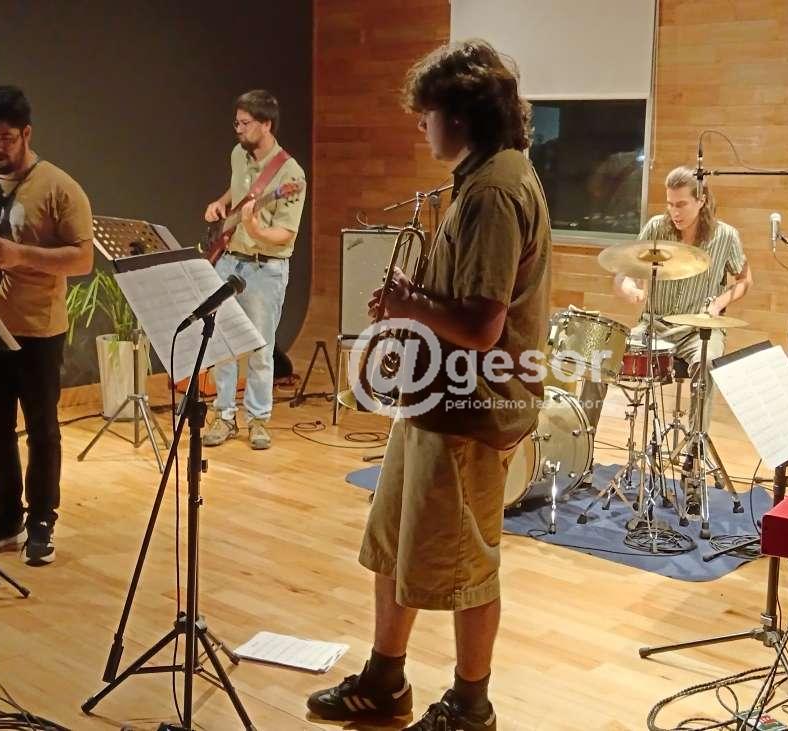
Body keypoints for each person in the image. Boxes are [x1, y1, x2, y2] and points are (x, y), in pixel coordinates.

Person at [306, 39, 550, 731]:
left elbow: (480, 325)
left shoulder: (495, 190)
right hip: (436, 400)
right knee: (392, 543)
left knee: (467, 564)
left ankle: (471, 706)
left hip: (470, 408)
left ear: (461, 115)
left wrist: (409, 305)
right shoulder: (482, 176)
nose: (421, 125)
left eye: (429, 112)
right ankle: (385, 681)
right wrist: (414, 301)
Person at [0, 85, 94, 566]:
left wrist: (19, 255)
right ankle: (5, 518)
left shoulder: (60, 187)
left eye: (5, 139)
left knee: (42, 430)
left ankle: (41, 520)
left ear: (26, 133)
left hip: (37, 328)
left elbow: (83, 259)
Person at [201, 89, 306, 450]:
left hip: (265, 269)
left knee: (261, 348)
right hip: (229, 260)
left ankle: (258, 420)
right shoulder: (238, 154)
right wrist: (220, 203)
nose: (239, 129)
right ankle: (224, 415)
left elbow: (285, 234)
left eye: (245, 124)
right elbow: (238, 191)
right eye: (237, 122)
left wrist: (256, 229)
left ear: (266, 124)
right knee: (223, 343)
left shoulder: (291, 175)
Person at [613, 167, 752, 431]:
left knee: (706, 363)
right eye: (670, 204)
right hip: (654, 325)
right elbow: (624, 271)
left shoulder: (726, 236)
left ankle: (695, 446)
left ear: (701, 201)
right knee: (603, 356)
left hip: (698, 330)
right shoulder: (656, 227)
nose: (674, 212)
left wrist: (718, 304)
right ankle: (584, 443)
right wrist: (629, 286)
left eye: (681, 204)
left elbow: (745, 280)